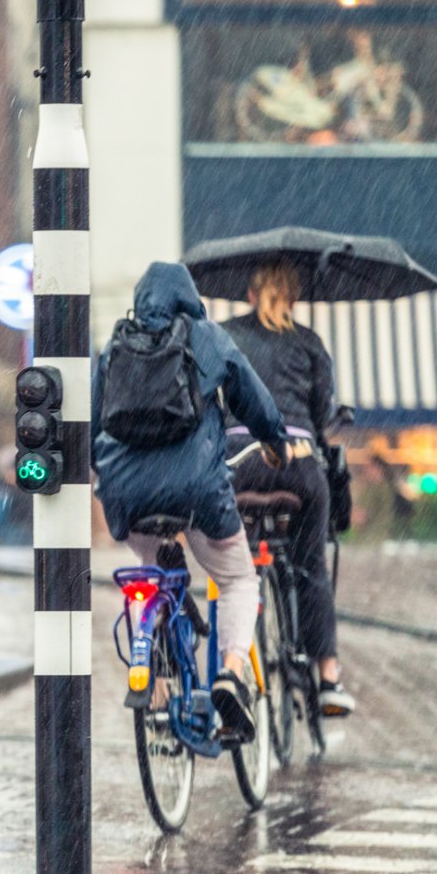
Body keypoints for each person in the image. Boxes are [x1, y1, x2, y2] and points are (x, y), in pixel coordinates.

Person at [91, 262, 288, 738]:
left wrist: (98, 475)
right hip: (195, 489)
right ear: (189, 298)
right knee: (239, 577)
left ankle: (157, 692)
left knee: (152, 575)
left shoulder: (112, 350)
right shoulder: (207, 337)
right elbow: (253, 400)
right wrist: (274, 440)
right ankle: (232, 673)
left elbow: (89, 421)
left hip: (125, 492)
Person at [221, 262, 353, 716]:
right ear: (293, 298)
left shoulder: (224, 337)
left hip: (239, 466)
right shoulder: (309, 342)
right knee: (311, 565)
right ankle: (329, 677)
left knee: (232, 574)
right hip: (297, 466)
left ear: (251, 293)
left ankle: (230, 668)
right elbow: (321, 416)